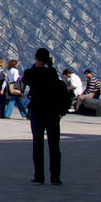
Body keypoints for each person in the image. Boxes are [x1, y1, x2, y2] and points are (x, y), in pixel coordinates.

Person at [22, 48, 66, 184]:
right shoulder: (52, 73)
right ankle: (55, 177)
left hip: (37, 110)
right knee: (54, 146)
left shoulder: (31, 73)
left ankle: (39, 176)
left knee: (38, 144)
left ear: (35, 58)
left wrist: (36, 65)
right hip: (52, 112)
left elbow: (25, 79)